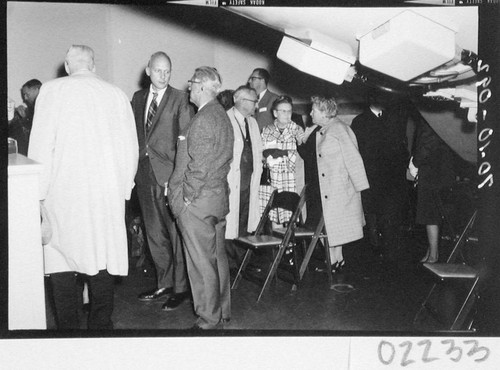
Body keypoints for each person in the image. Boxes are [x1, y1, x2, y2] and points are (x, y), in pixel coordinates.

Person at [28, 45, 138, 329]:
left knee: (61, 263)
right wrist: (123, 191)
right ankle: (101, 330)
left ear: (67, 65)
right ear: (94, 65)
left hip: (63, 195)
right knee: (101, 261)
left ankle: (68, 333)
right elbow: (131, 150)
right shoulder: (116, 94)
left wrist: (37, 197)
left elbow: (40, 147)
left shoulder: (51, 91)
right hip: (106, 197)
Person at [167, 66, 234, 330]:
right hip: (217, 199)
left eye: (193, 82)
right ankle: (222, 312)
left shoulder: (204, 118)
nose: (189, 87)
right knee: (217, 258)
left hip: (199, 202)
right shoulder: (221, 115)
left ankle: (207, 319)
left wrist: (184, 199)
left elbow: (199, 167)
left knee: (200, 262)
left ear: (204, 86)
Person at [131, 51, 193, 310]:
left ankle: (180, 288)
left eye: (167, 71)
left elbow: (185, 141)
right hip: (144, 175)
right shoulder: (137, 98)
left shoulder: (180, 99)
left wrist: (176, 180)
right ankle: (164, 282)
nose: (163, 75)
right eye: (158, 70)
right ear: (148, 70)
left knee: (175, 234)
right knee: (154, 232)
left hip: (169, 176)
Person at [298, 96, 369, 272]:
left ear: (323, 112)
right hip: (322, 188)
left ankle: (335, 261)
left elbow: (354, 158)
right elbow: (312, 158)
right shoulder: (322, 129)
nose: (310, 113)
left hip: (337, 188)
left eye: (313, 110)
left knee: (333, 226)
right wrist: (303, 140)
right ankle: (335, 261)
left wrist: (359, 188)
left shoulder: (339, 129)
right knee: (329, 226)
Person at [350, 92, 410, 261]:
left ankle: (389, 252)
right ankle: (374, 248)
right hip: (372, 177)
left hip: (392, 179)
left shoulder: (394, 118)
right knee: (372, 214)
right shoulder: (360, 122)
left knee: (391, 216)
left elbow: (400, 146)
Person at [224, 85, 263, 269]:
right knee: (230, 222)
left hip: (249, 182)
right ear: (239, 100)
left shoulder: (253, 123)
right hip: (232, 182)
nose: (256, 105)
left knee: (244, 222)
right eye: (254, 101)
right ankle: (230, 263)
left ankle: (242, 261)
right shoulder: (225, 119)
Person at [410, 117, 457, 264]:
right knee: (433, 213)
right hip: (441, 169)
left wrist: (415, 163)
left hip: (432, 170)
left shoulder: (430, 116)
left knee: (430, 214)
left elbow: (428, 143)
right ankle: (431, 251)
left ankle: (433, 256)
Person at [259, 95, 304, 225]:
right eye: (283, 111)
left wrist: (280, 153)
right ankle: (277, 243)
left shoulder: (297, 130)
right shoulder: (267, 130)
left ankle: (289, 244)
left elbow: (299, 154)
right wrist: (271, 155)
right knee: (273, 214)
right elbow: (263, 153)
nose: (286, 114)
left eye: (289, 111)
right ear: (275, 113)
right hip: (272, 177)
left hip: (290, 177)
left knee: (291, 216)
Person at [7, 79, 42, 155]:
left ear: (37, 90)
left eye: (27, 94)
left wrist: (24, 119)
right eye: (24, 95)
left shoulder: (47, 107)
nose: (25, 98)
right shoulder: (30, 109)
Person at [247, 68, 279, 132]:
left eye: (253, 78)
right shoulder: (248, 99)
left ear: (262, 80)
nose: (249, 81)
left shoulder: (274, 99)